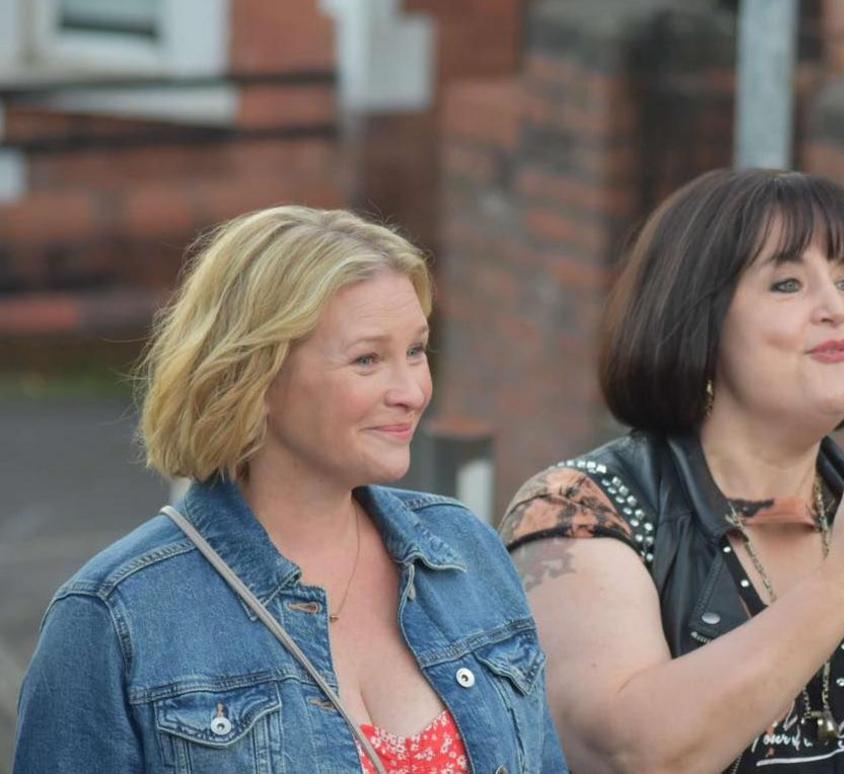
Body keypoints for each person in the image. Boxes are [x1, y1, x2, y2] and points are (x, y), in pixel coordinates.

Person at [499, 168, 844, 773]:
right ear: (701, 321)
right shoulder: (585, 508)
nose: (836, 309)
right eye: (788, 284)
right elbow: (630, 754)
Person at [15, 206, 566, 773]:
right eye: (367, 359)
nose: (411, 391)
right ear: (257, 376)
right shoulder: (115, 616)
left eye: (416, 351)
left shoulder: (465, 550)